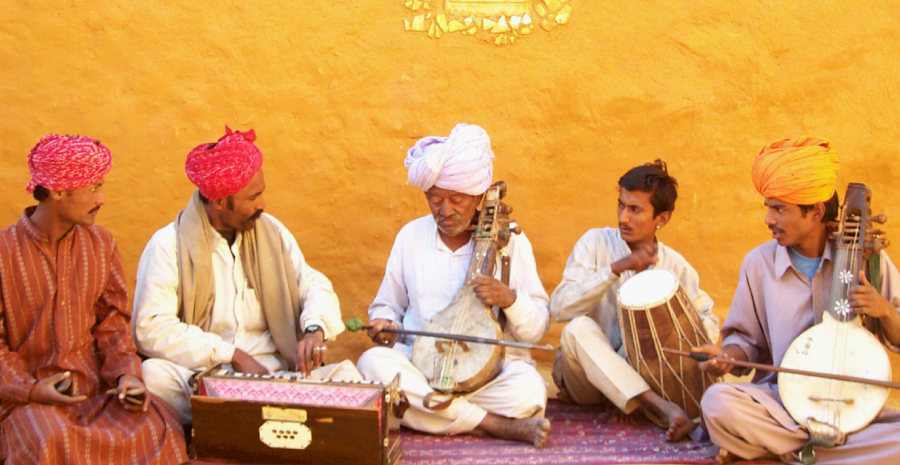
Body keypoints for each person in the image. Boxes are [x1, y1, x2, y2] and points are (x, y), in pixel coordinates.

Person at [133, 127, 361, 425]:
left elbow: (313, 285)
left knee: (353, 380)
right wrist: (231, 354)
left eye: (261, 193)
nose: (261, 205)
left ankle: (237, 421)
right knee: (154, 377)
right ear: (218, 201)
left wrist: (314, 329)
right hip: (209, 379)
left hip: (279, 375)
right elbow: (151, 328)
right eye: (252, 197)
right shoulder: (168, 245)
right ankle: (264, 418)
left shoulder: (272, 232)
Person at [697, 137, 900, 464]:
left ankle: (773, 451)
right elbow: (746, 342)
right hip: (783, 405)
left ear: (816, 211)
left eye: (780, 209)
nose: (769, 220)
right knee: (718, 403)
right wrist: (726, 355)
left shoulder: (865, 260)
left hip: (855, 410)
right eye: (769, 208)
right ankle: (831, 454)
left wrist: (885, 311)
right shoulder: (759, 264)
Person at [356, 123, 552, 448]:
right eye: (435, 200)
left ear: (478, 196)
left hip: (490, 375)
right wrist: (385, 325)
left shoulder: (511, 244)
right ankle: (491, 425)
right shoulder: (411, 237)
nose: (445, 211)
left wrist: (511, 301)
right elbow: (386, 306)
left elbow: (536, 329)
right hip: (421, 368)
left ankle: (439, 417)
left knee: (529, 391)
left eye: (457, 200)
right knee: (372, 364)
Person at [0, 134, 187, 464]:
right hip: (25, 398)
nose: (102, 198)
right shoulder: (4, 252)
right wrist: (32, 390)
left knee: (160, 425)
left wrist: (126, 375)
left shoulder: (101, 244)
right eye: (93, 188)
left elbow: (113, 323)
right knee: (51, 440)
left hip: (97, 392)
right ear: (58, 191)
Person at [549, 159, 719, 442]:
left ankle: (636, 395)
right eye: (621, 205)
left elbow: (707, 322)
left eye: (635, 209)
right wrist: (613, 270)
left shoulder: (676, 267)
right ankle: (659, 407)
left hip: (650, 378)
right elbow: (559, 308)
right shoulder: (595, 243)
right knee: (577, 329)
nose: (623, 217)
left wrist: (692, 345)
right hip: (586, 383)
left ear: (661, 219)